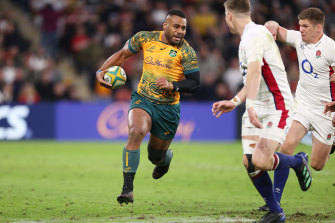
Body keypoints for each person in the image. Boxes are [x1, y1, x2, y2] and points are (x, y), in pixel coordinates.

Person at [212, 0, 311, 222]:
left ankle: (297, 162)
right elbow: (252, 79)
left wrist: (249, 105)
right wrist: (235, 100)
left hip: (276, 105)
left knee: (263, 161)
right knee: (250, 162)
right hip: (258, 105)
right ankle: (276, 211)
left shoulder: (254, 35)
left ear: (228, 16)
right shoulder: (247, 38)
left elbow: (255, 73)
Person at [96, 10, 200, 205]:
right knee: (136, 131)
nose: (180, 31)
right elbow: (122, 54)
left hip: (168, 109)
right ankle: (127, 190)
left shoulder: (186, 51)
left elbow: (195, 83)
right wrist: (101, 71)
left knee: (155, 156)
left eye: (184, 28)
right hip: (143, 99)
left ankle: (165, 159)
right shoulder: (145, 38)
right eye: (176, 26)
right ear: (165, 26)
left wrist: (173, 85)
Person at [263, 7, 335, 211]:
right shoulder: (299, 39)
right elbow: (280, 30)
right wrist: (273, 25)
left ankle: (309, 156)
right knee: (285, 147)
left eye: (305, 26)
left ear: (318, 28)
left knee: (318, 165)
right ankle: (275, 200)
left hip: (326, 111)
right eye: (300, 25)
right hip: (302, 104)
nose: (301, 30)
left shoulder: (331, 48)